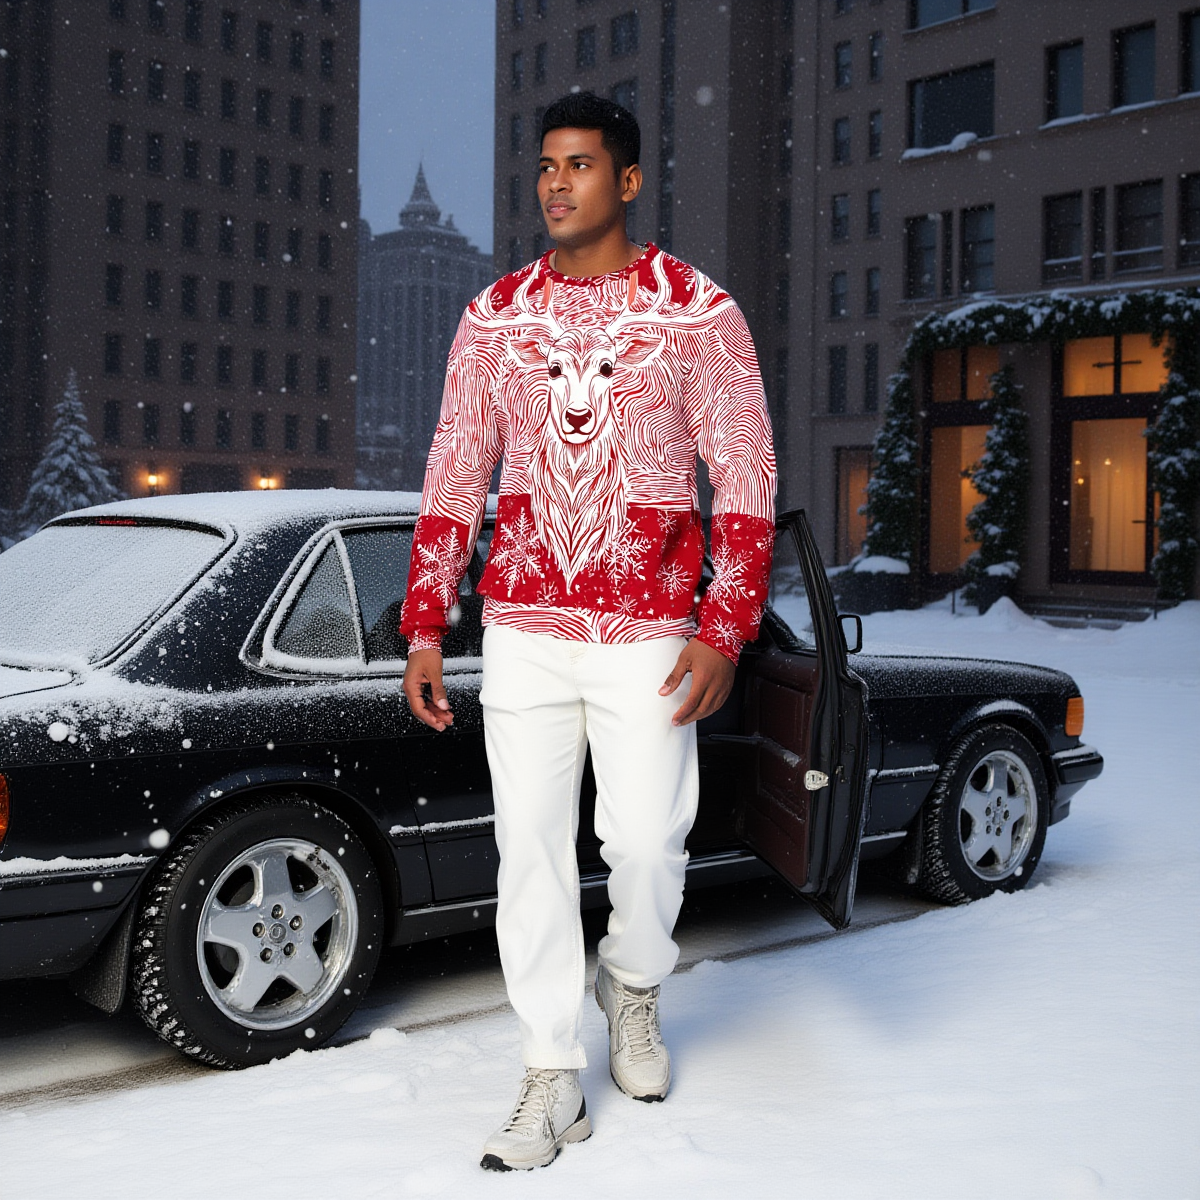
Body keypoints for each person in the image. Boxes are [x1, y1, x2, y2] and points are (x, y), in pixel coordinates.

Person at [399, 92, 777, 1172]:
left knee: (650, 841)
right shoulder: (492, 316)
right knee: (528, 851)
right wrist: (428, 619)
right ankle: (550, 1069)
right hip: (523, 623)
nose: (556, 184)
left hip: (651, 628)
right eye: (546, 166)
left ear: (629, 180)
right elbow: (455, 468)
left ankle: (638, 985)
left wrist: (726, 625)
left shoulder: (697, 311)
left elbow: (744, 467)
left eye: (580, 164)